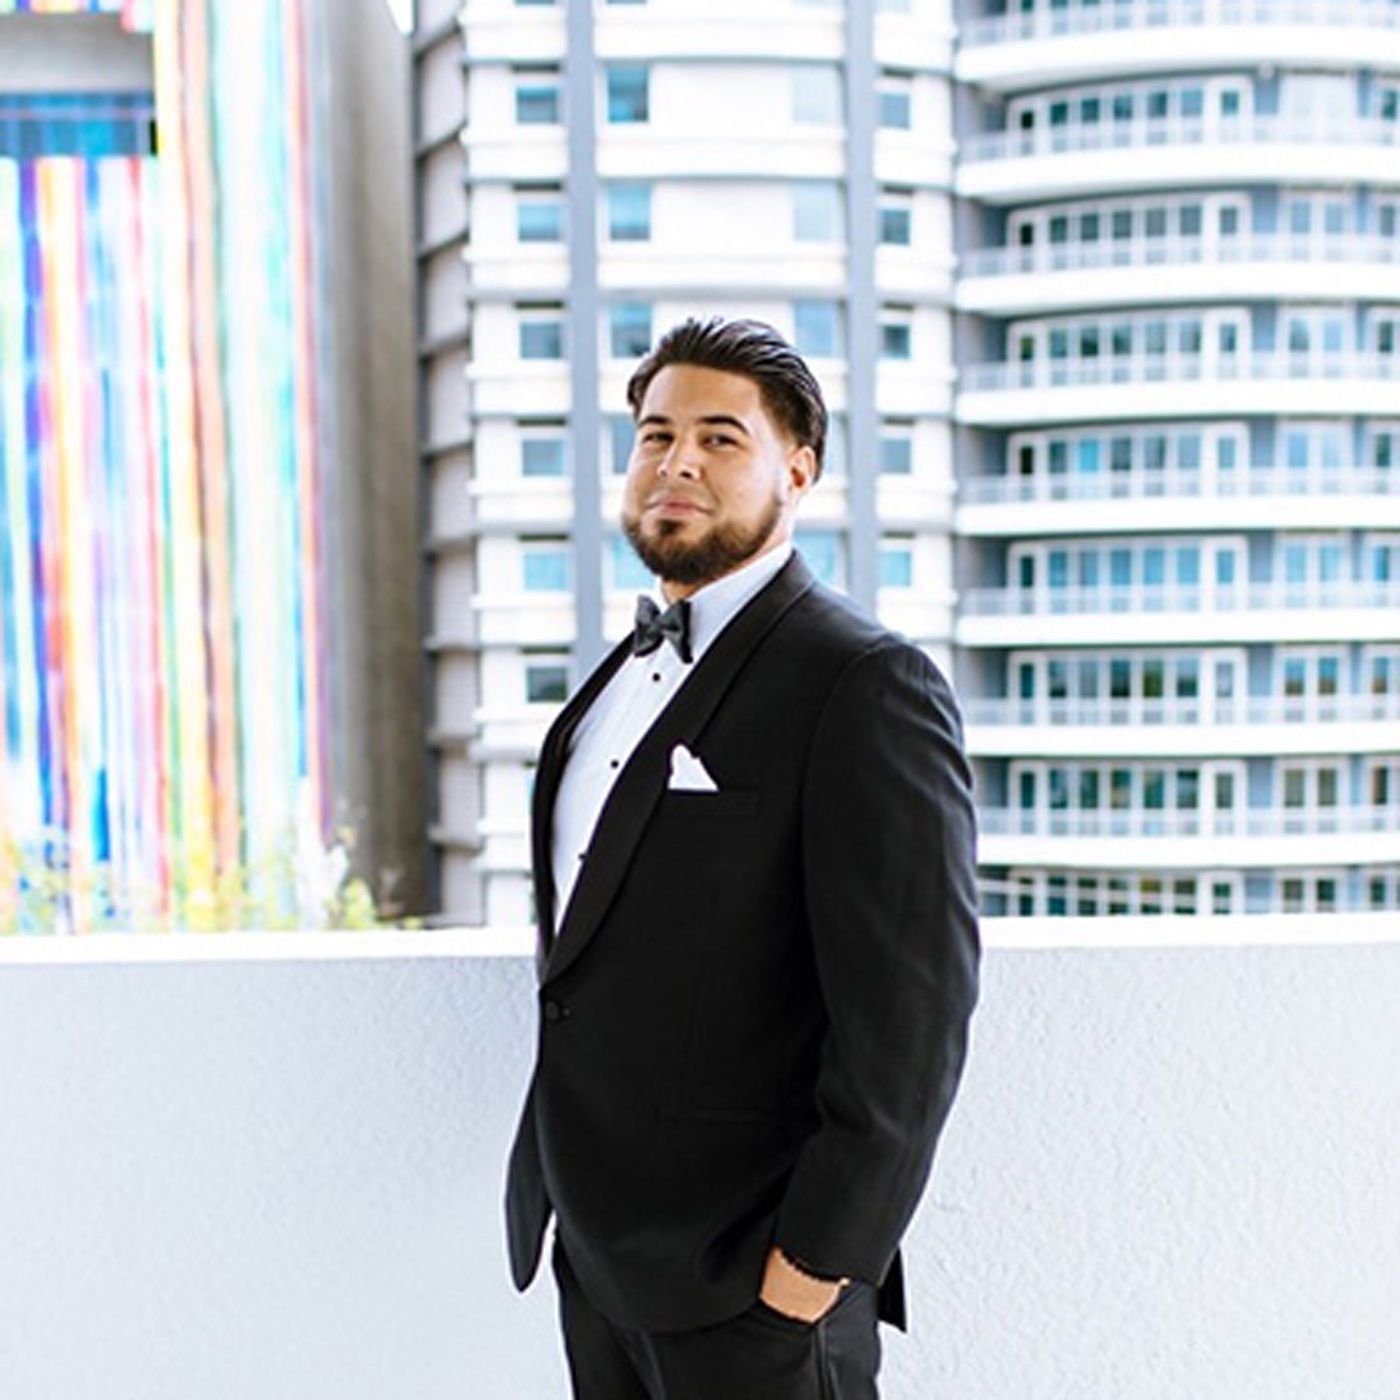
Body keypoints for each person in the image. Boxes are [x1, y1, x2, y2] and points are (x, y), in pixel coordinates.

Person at [505, 316, 979, 1400]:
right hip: (596, 1260)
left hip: (749, 1285)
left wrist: (810, 1269)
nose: (676, 461)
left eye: (720, 438)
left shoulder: (861, 683)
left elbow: (910, 1019)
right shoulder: (613, 683)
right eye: (655, 434)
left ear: (795, 470)